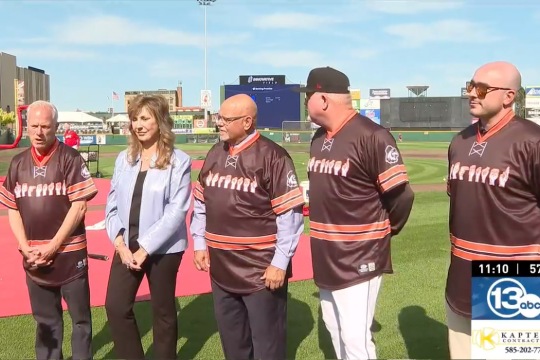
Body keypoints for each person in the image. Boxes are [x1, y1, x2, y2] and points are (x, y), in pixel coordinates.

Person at [295, 66, 415, 360]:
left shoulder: (371, 135)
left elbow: (401, 195)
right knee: (333, 327)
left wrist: (384, 230)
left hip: (359, 253)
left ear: (322, 99)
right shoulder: (318, 139)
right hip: (326, 252)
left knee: (355, 338)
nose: (305, 101)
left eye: (308, 95)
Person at [190, 94, 305, 360]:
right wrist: (198, 242)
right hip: (221, 267)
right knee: (234, 345)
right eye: (219, 117)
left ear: (247, 122)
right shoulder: (214, 153)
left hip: (260, 270)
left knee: (267, 346)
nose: (219, 123)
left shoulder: (274, 156)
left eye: (226, 119)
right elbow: (200, 203)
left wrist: (280, 262)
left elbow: (290, 214)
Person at [445, 61, 540, 359]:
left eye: (482, 88)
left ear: (508, 96)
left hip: (511, 277)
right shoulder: (459, 141)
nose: (473, 93)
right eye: (470, 85)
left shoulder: (532, 141)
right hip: (460, 270)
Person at [0, 100, 98, 360]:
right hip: (34, 258)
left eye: (45, 126)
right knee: (45, 322)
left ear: (56, 127)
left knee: (80, 322)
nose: (39, 132)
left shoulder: (70, 158)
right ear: (27, 126)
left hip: (70, 255)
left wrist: (53, 246)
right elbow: (13, 209)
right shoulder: (18, 163)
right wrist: (24, 246)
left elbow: (79, 207)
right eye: (34, 126)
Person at [104, 94, 192, 360]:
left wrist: (145, 248)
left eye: (145, 118)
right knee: (116, 307)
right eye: (134, 119)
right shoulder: (124, 159)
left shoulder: (179, 161)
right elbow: (111, 205)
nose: (138, 125)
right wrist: (120, 244)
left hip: (164, 250)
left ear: (160, 122)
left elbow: (176, 211)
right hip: (126, 246)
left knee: (163, 313)